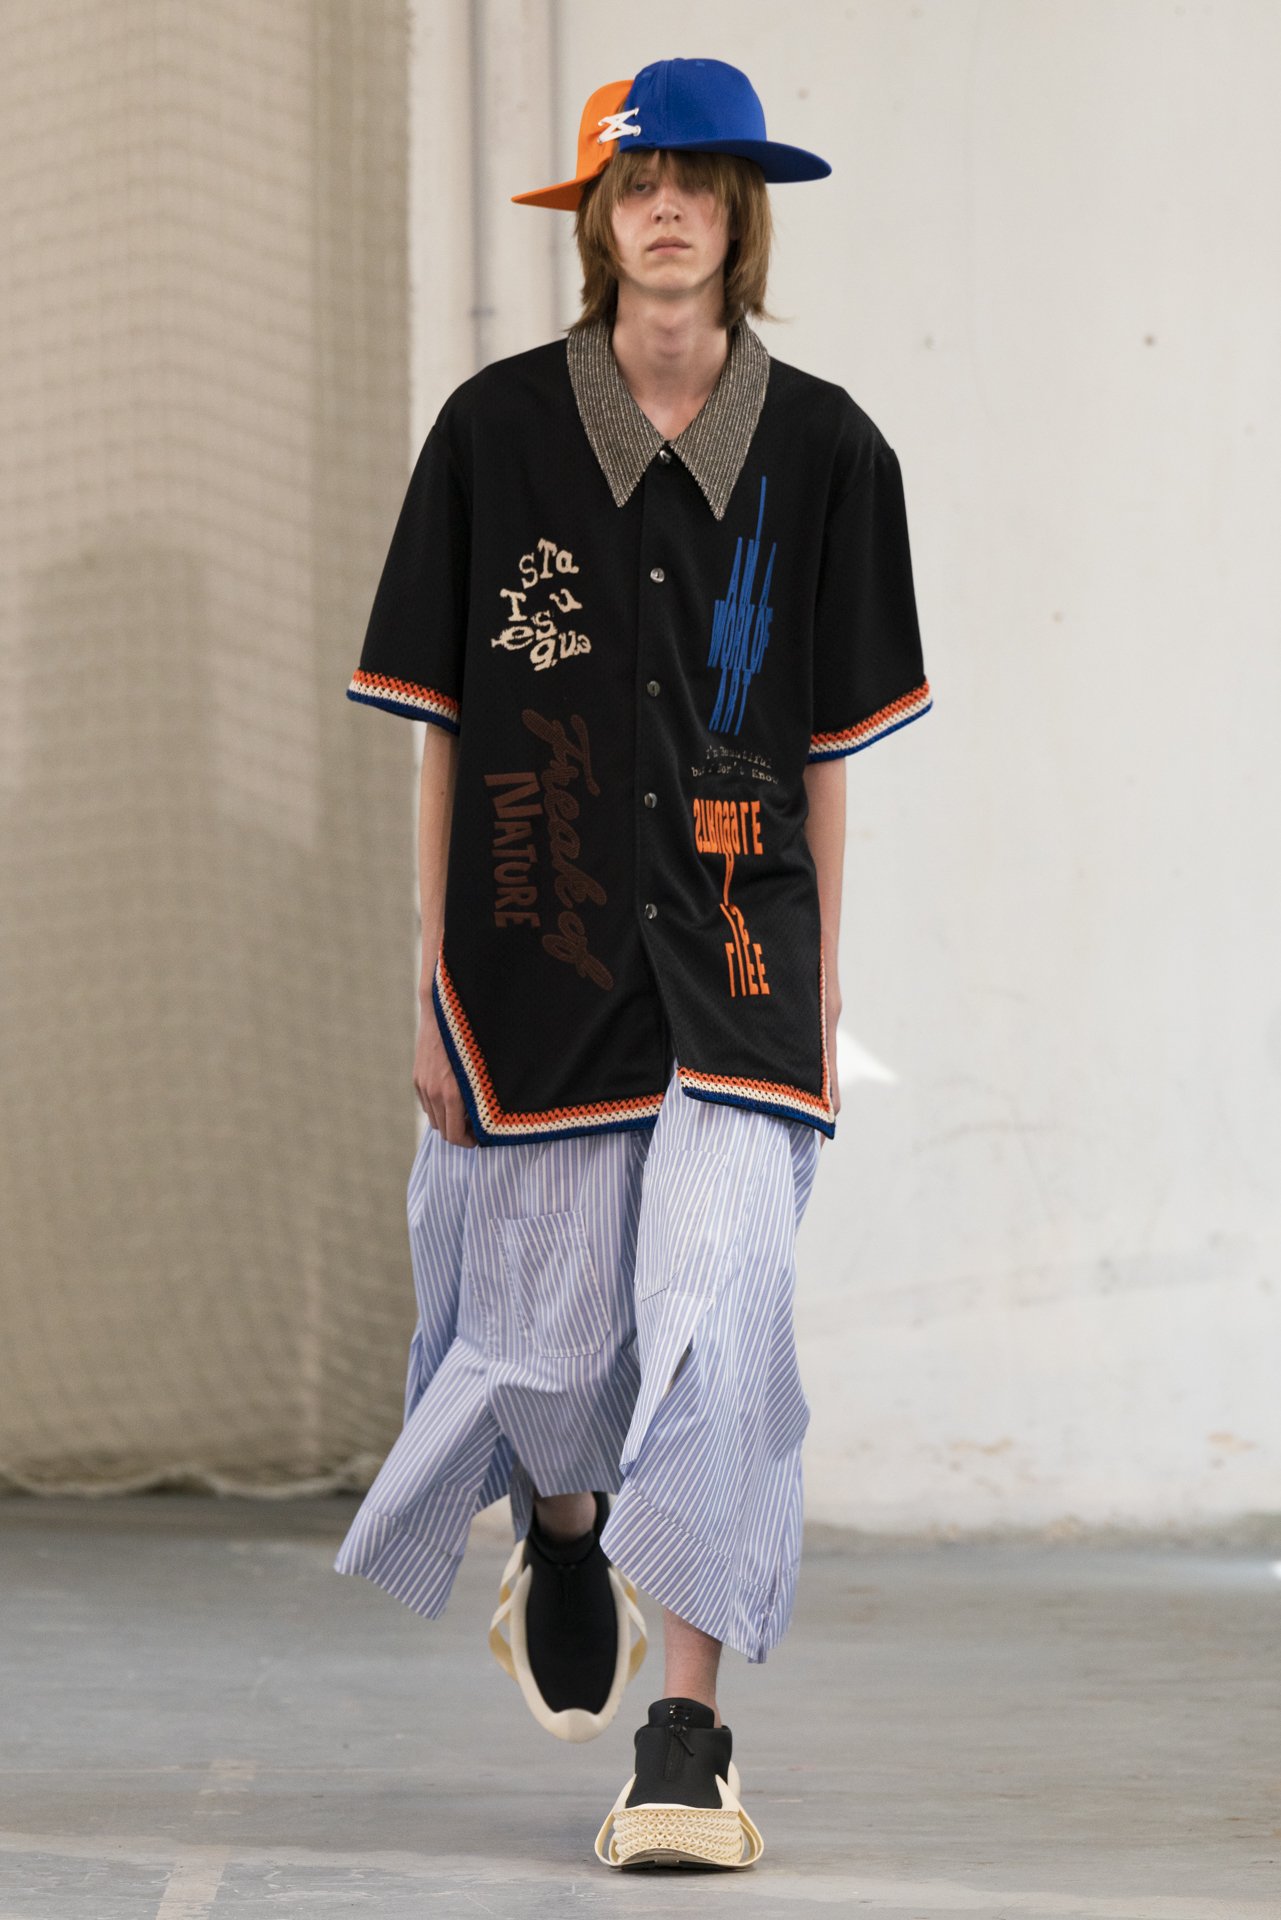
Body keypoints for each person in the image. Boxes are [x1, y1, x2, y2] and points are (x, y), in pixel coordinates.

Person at [333, 55, 931, 1871]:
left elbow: (824, 749)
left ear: (742, 217)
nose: (666, 207)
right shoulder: (494, 433)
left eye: (698, 181)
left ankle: (685, 1742)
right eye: (636, 181)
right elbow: (444, 730)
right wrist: (429, 983)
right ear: (598, 219)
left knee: (722, 1318)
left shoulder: (828, 452)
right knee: (550, 1346)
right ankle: (565, 1526)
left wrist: (822, 974)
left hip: (741, 965)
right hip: (529, 964)